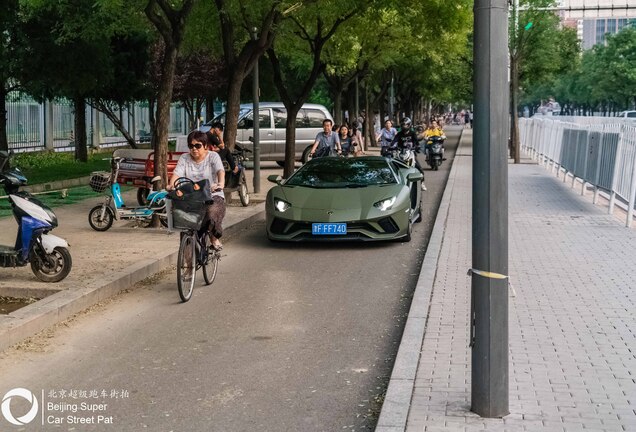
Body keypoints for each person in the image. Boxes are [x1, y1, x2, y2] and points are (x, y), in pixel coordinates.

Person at [169, 130, 226, 251]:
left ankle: (213, 236)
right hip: (191, 198)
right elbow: (176, 174)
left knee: (211, 212)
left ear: (205, 146)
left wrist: (220, 183)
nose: (194, 149)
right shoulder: (184, 158)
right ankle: (189, 266)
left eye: (198, 145)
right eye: (191, 146)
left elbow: (220, 171)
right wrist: (171, 186)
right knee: (184, 223)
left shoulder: (213, 156)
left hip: (212, 195)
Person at [390, 117, 427, 191]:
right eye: (403, 125)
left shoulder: (412, 133)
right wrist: (391, 146)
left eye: (406, 125)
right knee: (393, 167)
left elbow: (416, 142)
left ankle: (422, 183)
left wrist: (417, 146)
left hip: (411, 153)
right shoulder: (399, 134)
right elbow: (394, 141)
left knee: (419, 168)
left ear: (409, 125)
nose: (404, 126)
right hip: (400, 153)